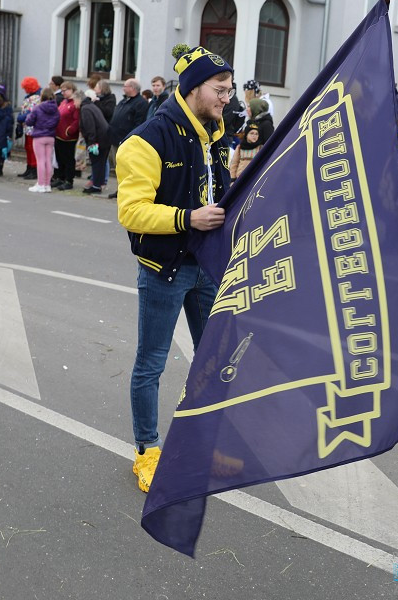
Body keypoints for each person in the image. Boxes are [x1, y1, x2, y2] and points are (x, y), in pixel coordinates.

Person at [117, 45, 233, 492]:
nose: (227, 98)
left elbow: (217, 191)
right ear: (193, 89)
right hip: (164, 269)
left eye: (229, 90)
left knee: (214, 360)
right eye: (220, 90)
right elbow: (131, 212)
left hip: (207, 267)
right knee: (151, 365)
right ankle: (148, 450)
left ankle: (200, 443)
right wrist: (188, 218)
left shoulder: (215, 133)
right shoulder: (146, 140)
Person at [26, 88, 59, 193]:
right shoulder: (56, 109)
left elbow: (29, 121)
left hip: (39, 136)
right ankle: (47, 184)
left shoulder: (38, 108)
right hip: (50, 136)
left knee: (40, 161)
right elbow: (58, 120)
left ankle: (40, 184)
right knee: (48, 161)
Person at [79, 88, 111, 194]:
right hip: (104, 138)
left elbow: (90, 127)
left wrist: (92, 143)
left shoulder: (85, 109)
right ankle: (98, 184)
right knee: (100, 163)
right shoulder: (90, 106)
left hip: (98, 140)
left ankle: (96, 186)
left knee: (97, 163)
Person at [52, 81, 80, 190]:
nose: (63, 93)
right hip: (58, 134)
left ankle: (69, 180)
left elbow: (77, 120)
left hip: (68, 137)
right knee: (60, 158)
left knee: (68, 159)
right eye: (62, 90)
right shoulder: (64, 102)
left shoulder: (75, 104)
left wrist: (69, 131)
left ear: (72, 90)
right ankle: (60, 177)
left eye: (65, 91)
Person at [16, 77, 42, 179]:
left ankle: (34, 168)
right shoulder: (31, 96)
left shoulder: (36, 98)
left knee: (32, 149)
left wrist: (20, 117)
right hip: (27, 127)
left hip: (32, 127)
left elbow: (30, 112)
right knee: (28, 147)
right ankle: (29, 167)